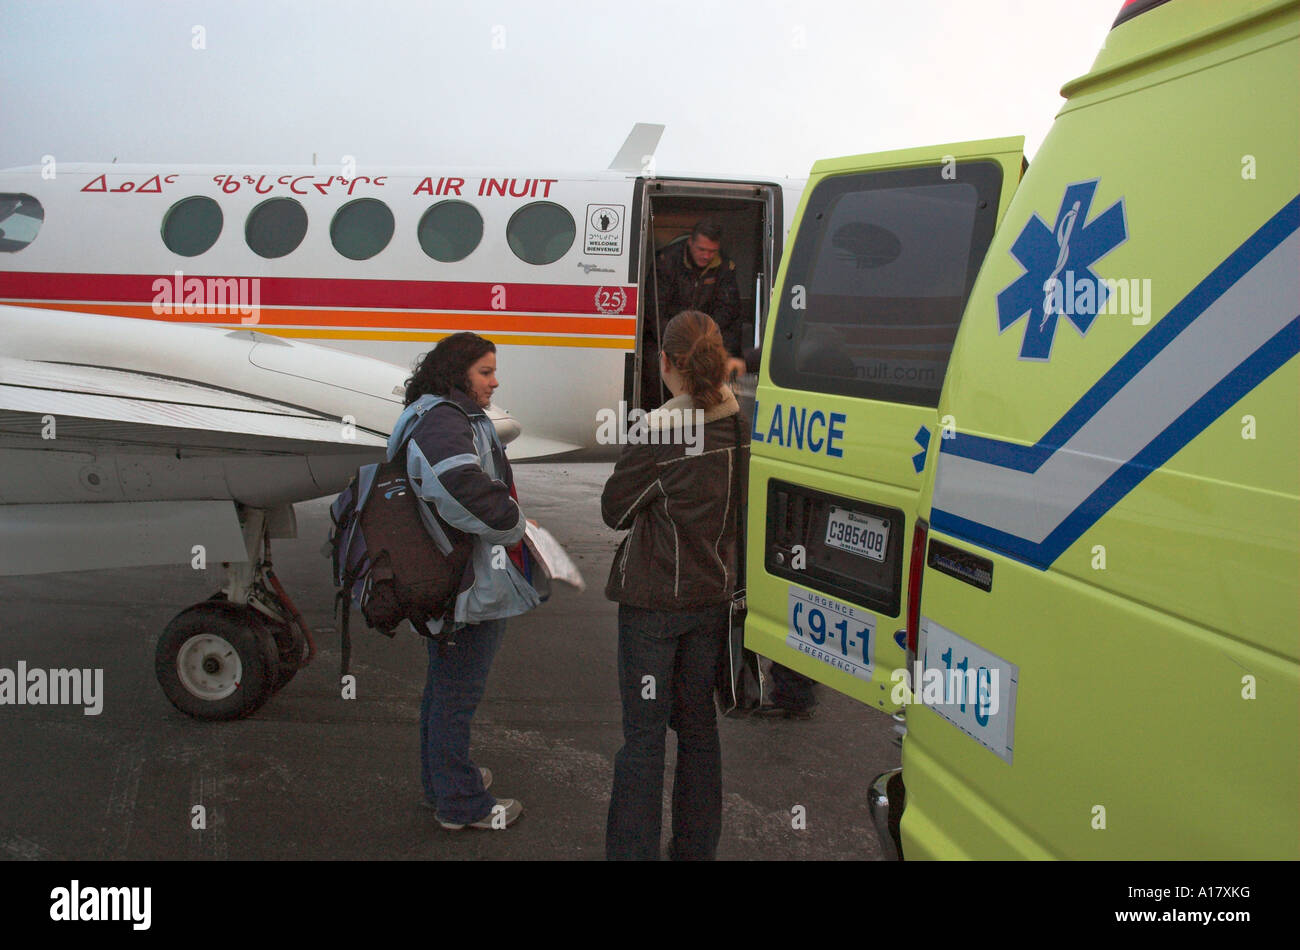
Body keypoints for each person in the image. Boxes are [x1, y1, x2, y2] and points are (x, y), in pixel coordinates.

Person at [602, 310, 749, 860]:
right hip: (712, 599)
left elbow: (614, 510)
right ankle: (694, 849)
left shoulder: (660, 433)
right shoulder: (740, 424)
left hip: (653, 604)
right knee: (698, 731)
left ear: (664, 362)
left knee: (643, 739)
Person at [390, 331, 541, 830]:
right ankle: (461, 804)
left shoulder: (431, 413)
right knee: (457, 696)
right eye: (485, 372)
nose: (495, 382)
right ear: (458, 373)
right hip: (462, 585)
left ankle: (442, 783)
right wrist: (514, 523)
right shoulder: (443, 420)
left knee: (443, 690)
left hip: (440, 577)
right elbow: (458, 483)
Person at [724, 350, 820, 721]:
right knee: (793, 580)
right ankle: (793, 684)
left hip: (782, 489)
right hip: (797, 485)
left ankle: (787, 686)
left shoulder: (805, 337)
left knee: (775, 582)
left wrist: (749, 361)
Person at [642, 219, 742, 410]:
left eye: (712, 251)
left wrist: (710, 340)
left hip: (705, 336)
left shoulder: (724, 267)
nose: (706, 255)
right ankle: (654, 417)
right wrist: (675, 342)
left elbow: (729, 310)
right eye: (701, 249)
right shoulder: (666, 262)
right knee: (654, 367)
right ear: (690, 243)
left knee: (711, 366)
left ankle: (703, 417)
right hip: (665, 335)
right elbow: (654, 310)